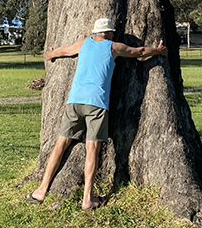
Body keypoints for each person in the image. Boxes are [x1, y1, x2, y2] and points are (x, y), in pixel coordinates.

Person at [26, 17, 167, 210]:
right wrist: (159, 50)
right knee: (92, 149)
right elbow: (140, 52)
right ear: (108, 33)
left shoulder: (83, 43)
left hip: (75, 101)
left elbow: (62, 51)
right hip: (97, 104)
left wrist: (50, 55)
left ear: (95, 32)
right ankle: (87, 199)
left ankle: (41, 190)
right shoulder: (113, 47)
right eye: (111, 32)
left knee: (61, 143)